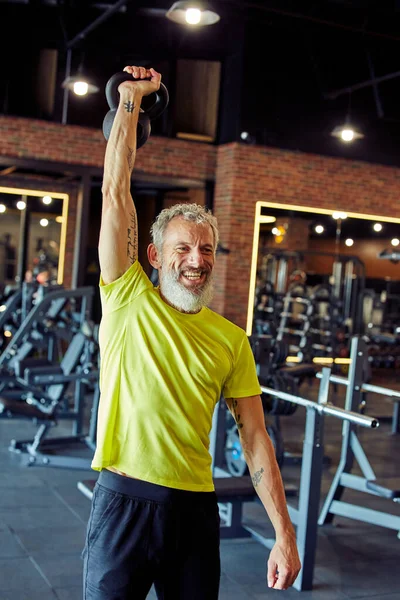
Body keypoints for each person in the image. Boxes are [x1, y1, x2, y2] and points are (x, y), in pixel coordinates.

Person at [82, 65, 301, 600]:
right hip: (123, 502)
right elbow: (115, 192)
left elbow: (255, 439)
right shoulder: (127, 296)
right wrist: (132, 98)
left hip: (194, 510)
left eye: (205, 249)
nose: (195, 261)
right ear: (154, 256)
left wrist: (284, 533)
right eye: (182, 248)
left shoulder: (231, 339)